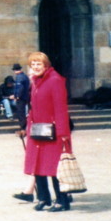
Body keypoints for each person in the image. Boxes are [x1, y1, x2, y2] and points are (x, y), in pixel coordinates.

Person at [24, 51, 73, 212]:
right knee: (37, 165)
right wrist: (28, 126)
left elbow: (60, 109)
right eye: (33, 64)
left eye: (39, 64)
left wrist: (63, 132)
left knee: (55, 168)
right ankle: (44, 198)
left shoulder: (55, 80)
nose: (36, 67)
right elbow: (32, 107)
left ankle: (62, 200)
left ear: (46, 65)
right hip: (38, 130)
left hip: (53, 131)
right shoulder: (36, 81)